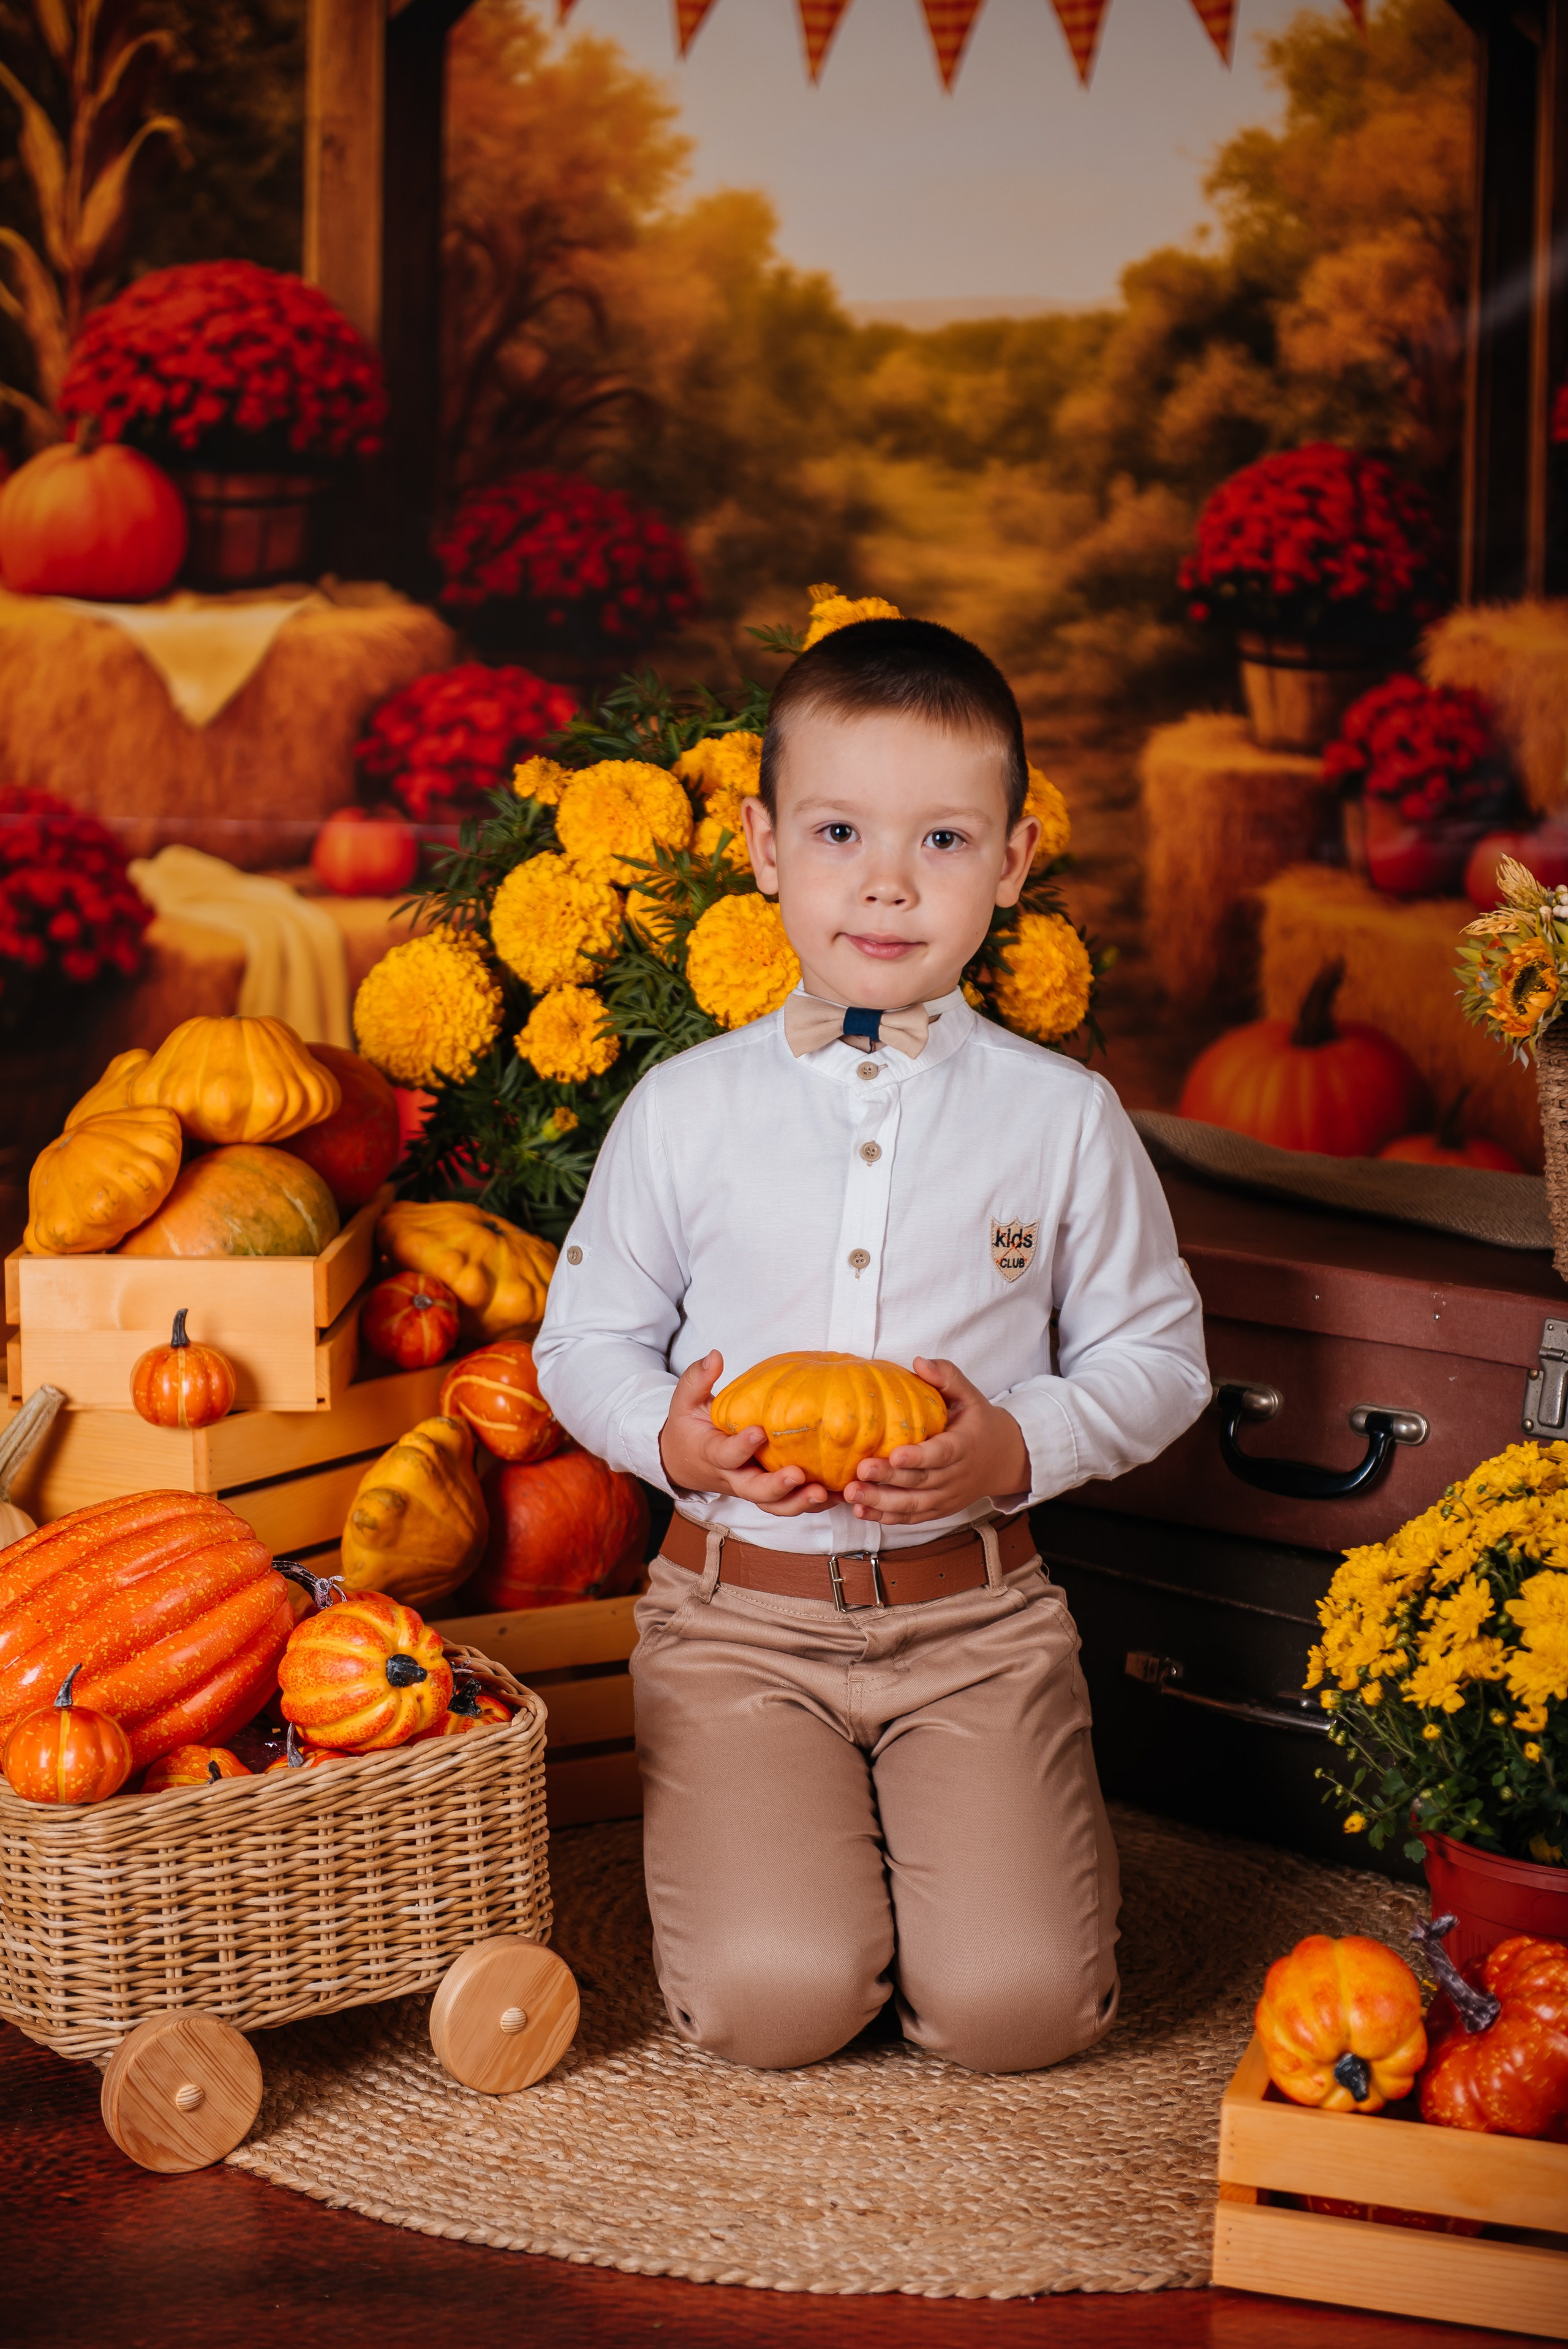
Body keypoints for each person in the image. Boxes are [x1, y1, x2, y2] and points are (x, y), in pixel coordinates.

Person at [533, 617, 1210, 2074]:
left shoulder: (1061, 1119)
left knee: (1018, 2014)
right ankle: (811, 1873)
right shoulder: (685, 1108)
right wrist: (669, 1437)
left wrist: (1016, 1442)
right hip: (736, 1626)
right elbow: (583, 1336)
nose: (889, 882)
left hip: (977, 1626)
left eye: (944, 839)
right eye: (839, 829)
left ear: (1015, 860)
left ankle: (958, 1880)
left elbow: (1157, 1359)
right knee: (774, 2006)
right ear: (763, 844)